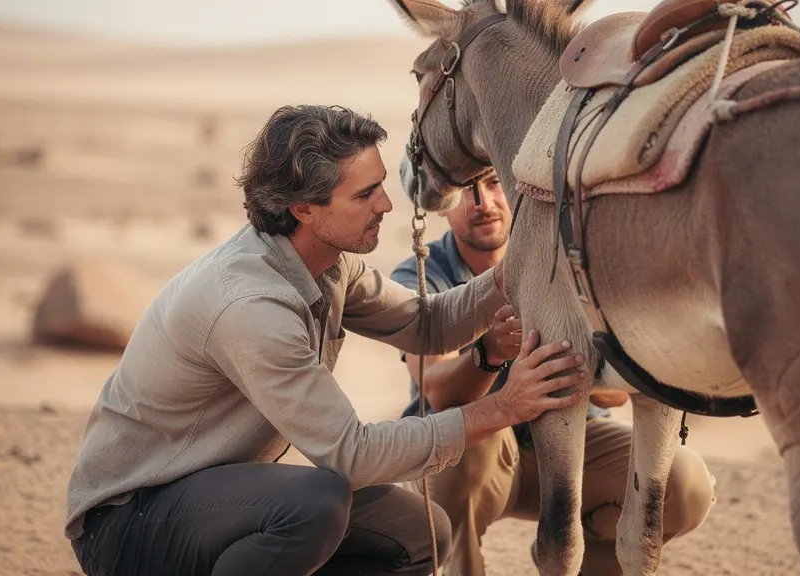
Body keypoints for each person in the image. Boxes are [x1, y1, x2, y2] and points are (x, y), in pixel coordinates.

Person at [63, 104, 590, 576]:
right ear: (304, 210)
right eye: (364, 194)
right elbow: (351, 455)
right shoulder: (250, 305)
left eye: (382, 184)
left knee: (421, 532)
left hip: (219, 495)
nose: (387, 204)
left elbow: (427, 323)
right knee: (315, 503)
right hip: (128, 522)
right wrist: (505, 406)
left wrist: (512, 268)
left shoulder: (327, 264)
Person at [390, 170, 718, 576]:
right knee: (458, 440)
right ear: (440, 203)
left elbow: (618, 394)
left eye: (494, 183)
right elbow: (436, 389)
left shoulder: (569, 262)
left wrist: (572, 370)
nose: (484, 203)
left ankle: (584, 554)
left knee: (685, 486)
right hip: (482, 461)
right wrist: (490, 350)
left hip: (575, 444)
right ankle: (462, 567)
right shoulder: (420, 274)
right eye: (465, 192)